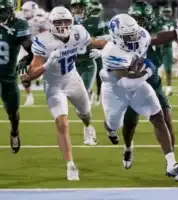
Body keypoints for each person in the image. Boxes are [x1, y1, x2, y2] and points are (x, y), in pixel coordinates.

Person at [99, 13, 178, 182]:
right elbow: (126, 83)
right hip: (115, 89)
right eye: (128, 36)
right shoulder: (111, 52)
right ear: (117, 37)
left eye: (134, 33)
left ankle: (171, 164)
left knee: (158, 116)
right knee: (115, 122)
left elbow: (155, 38)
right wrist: (148, 71)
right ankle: (109, 128)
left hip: (137, 83)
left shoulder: (139, 35)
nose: (134, 38)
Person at [21, 6, 106, 181]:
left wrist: (112, 43)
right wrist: (47, 64)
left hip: (73, 79)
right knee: (62, 123)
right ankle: (70, 164)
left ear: (72, 22)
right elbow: (30, 74)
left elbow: (95, 42)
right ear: (51, 24)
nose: (62, 26)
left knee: (86, 113)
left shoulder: (79, 32)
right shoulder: (43, 40)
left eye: (65, 21)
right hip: (54, 85)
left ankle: (88, 127)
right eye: (58, 22)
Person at [0, 0, 33, 154]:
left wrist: (28, 58)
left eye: (3, 11)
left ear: (11, 10)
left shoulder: (19, 25)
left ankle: (14, 133)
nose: (1, 15)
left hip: (9, 76)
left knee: (13, 112)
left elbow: (29, 48)